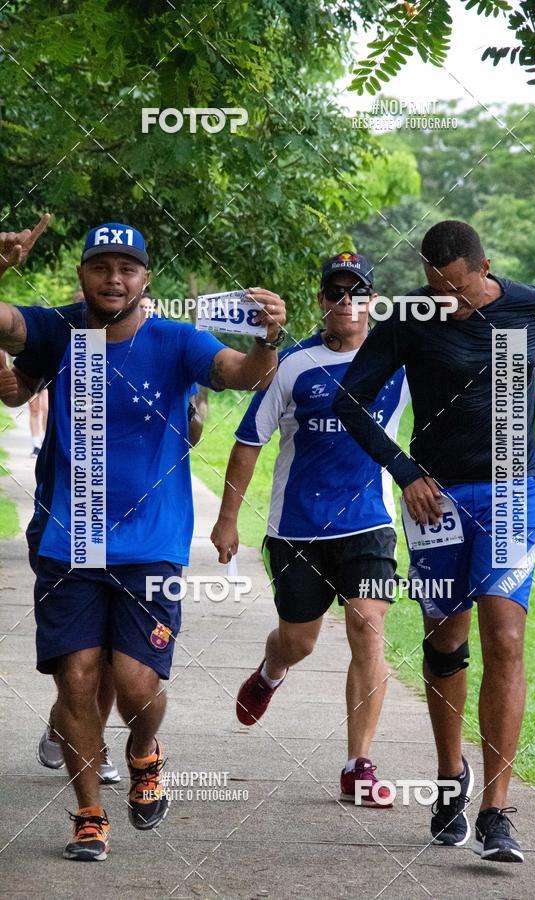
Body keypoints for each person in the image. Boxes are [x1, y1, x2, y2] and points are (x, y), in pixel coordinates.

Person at [0, 214, 286, 862]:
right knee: (76, 679)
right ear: (82, 273)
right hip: (71, 541)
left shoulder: (176, 341)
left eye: (126, 268)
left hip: (152, 545)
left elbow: (242, 372)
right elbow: (6, 325)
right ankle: (89, 814)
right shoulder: (60, 329)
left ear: (144, 278)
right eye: (101, 266)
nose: (113, 278)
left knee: (136, 688)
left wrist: (270, 338)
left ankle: (142, 750)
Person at [333, 220, 535, 863]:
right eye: (432, 285)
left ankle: (497, 811)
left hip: (512, 490)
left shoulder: (528, 308)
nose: (442, 298)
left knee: (505, 636)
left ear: (484, 267)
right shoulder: (408, 317)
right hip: (437, 499)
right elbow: (351, 400)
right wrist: (404, 473)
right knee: (444, 640)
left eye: (454, 286)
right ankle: (451, 775)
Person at [212, 252, 410, 806]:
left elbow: (465, 378)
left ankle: (358, 764)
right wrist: (228, 520)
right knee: (299, 641)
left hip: (369, 524)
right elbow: (249, 442)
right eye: (336, 292)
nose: (346, 302)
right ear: (322, 301)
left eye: (358, 292)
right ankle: (271, 670)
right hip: (297, 529)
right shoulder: (292, 365)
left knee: (368, 630)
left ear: (373, 300)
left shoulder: (396, 361)